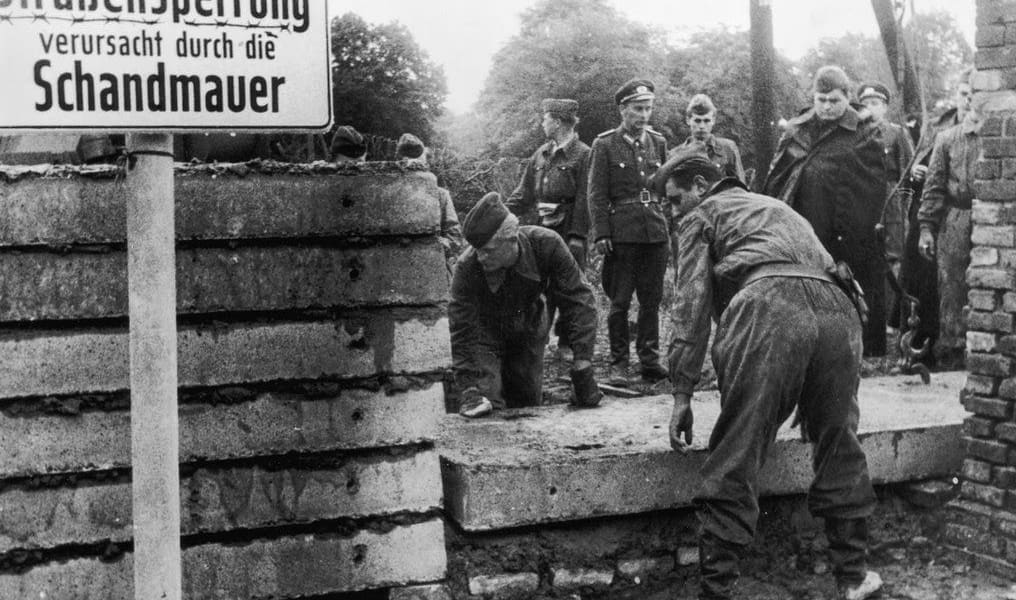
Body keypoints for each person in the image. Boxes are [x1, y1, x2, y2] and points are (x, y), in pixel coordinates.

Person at [659, 151, 882, 600]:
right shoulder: (776, 208)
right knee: (839, 438)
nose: (673, 210)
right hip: (839, 313)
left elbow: (690, 309)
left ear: (701, 186)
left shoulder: (702, 215)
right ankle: (853, 577)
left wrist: (682, 393)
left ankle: (716, 590)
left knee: (739, 442)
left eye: (675, 199)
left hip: (770, 306)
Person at [763, 66, 889, 357]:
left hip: (845, 234)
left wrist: (849, 237)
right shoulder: (798, 129)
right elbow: (777, 177)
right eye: (821, 100)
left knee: (844, 301)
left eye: (834, 100)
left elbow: (871, 192)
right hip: (801, 228)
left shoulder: (865, 132)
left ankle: (849, 354)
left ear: (847, 97)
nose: (827, 107)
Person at [448, 192, 601, 418]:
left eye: (488, 250)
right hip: (483, 335)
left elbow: (579, 300)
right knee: (486, 407)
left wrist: (582, 363)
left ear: (511, 240)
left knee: (527, 407)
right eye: (478, 250)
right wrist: (469, 387)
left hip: (529, 328)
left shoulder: (547, 245)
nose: (480, 258)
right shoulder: (466, 267)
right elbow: (461, 328)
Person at [588, 78, 670, 385]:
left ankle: (649, 360)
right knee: (620, 301)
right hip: (622, 233)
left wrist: (667, 222)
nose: (644, 115)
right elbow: (596, 194)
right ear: (623, 110)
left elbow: (667, 187)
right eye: (638, 109)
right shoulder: (605, 144)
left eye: (648, 108)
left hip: (655, 232)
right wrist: (602, 234)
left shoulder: (658, 142)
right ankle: (619, 363)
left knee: (651, 300)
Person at [507, 98, 592, 362]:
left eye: (545, 118)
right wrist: (501, 214)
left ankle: (567, 342)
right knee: (538, 284)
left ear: (557, 121)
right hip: (542, 229)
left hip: (569, 228)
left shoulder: (584, 154)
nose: (542, 123)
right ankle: (538, 338)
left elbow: (586, 197)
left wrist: (578, 236)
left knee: (569, 287)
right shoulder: (541, 154)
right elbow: (524, 193)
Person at [916, 73, 980, 370]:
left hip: (993, 221)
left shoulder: (1002, 136)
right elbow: (933, 187)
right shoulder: (946, 139)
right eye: (964, 93)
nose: (969, 99)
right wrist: (926, 228)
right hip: (955, 221)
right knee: (952, 290)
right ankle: (952, 358)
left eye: (975, 93)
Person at [395, 132, 465, 276]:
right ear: (400, 164)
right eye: (410, 165)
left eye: (419, 165)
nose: (415, 170)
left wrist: (431, 245)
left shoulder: (440, 195)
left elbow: (455, 238)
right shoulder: (391, 195)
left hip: (432, 268)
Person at [671, 93, 746, 183]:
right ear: (688, 120)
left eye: (706, 121)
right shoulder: (676, 154)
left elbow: (740, 185)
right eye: (697, 121)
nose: (702, 126)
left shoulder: (727, 149)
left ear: (713, 120)